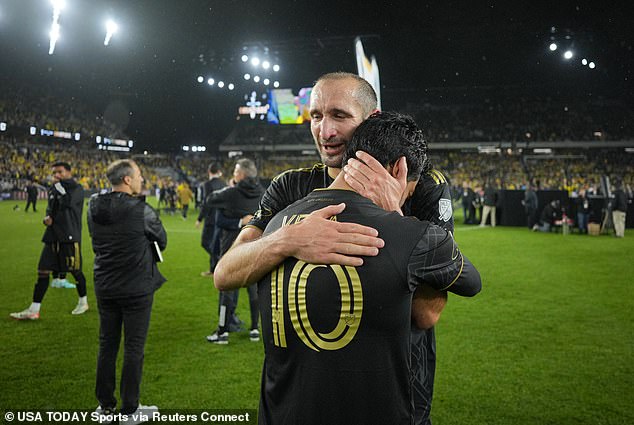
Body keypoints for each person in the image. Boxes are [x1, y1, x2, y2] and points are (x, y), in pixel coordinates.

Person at [214, 72, 453, 424]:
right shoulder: (291, 187)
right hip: (302, 389)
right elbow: (225, 273)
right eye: (316, 116)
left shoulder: (418, 184)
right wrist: (287, 239)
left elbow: (426, 314)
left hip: (393, 387)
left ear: (372, 120)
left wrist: (395, 219)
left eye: (339, 116)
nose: (325, 132)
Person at [88, 159, 167, 422]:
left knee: (106, 345)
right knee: (134, 347)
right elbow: (161, 240)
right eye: (139, 175)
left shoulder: (93, 206)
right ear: (127, 180)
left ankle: (105, 405)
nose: (142, 179)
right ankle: (130, 410)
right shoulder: (140, 209)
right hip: (136, 286)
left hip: (105, 284)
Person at [10, 162, 89, 320]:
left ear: (69, 172)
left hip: (69, 236)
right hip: (52, 235)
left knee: (75, 270)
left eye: (60, 172)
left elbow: (68, 203)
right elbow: (51, 208)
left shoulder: (77, 189)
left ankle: (83, 302)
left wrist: (60, 188)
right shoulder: (54, 188)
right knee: (43, 271)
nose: (56, 175)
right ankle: (34, 309)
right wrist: (48, 218)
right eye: (54, 172)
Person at [205, 159, 264, 344]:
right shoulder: (263, 193)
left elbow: (210, 199)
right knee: (254, 290)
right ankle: (255, 329)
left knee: (227, 291)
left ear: (242, 175)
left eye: (236, 171)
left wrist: (229, 190)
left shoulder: (230, 193)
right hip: (255, 247)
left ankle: (222, 332)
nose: (234, 174)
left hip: (231, 247)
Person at [196, 162, 226, 277]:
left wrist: (199, 218)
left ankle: (219, 261)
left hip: (211, 219)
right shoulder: (224, 184)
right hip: (222, 218)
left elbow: (206, 203)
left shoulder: (207, 184)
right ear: (219, 172)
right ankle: (214, 268)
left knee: (206, 243)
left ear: (209, 172)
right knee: (216, 244)